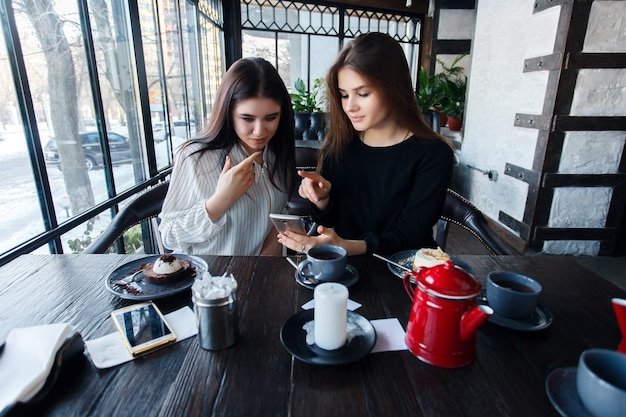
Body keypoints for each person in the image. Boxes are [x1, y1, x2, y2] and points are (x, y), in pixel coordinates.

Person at [278, 32, 454, 256]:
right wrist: (321, 198)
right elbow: (328, 222)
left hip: (401, 272)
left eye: (362, 93)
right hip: (344, 269)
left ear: (394, 89)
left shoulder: (433, 154)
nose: (350, 106)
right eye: (344, 95)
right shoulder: (340, 145)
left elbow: (409, 235)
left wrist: (345, 247)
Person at [159, 57, 295, 255]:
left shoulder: (276, 152)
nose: (259, 131)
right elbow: (168, 234)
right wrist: (220, 200)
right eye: (247, 118)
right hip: (210, 280)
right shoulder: (196, 157)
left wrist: (271, 249)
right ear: (228, 111)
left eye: (271, 118)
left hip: (262, 276)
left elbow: (279, 212)